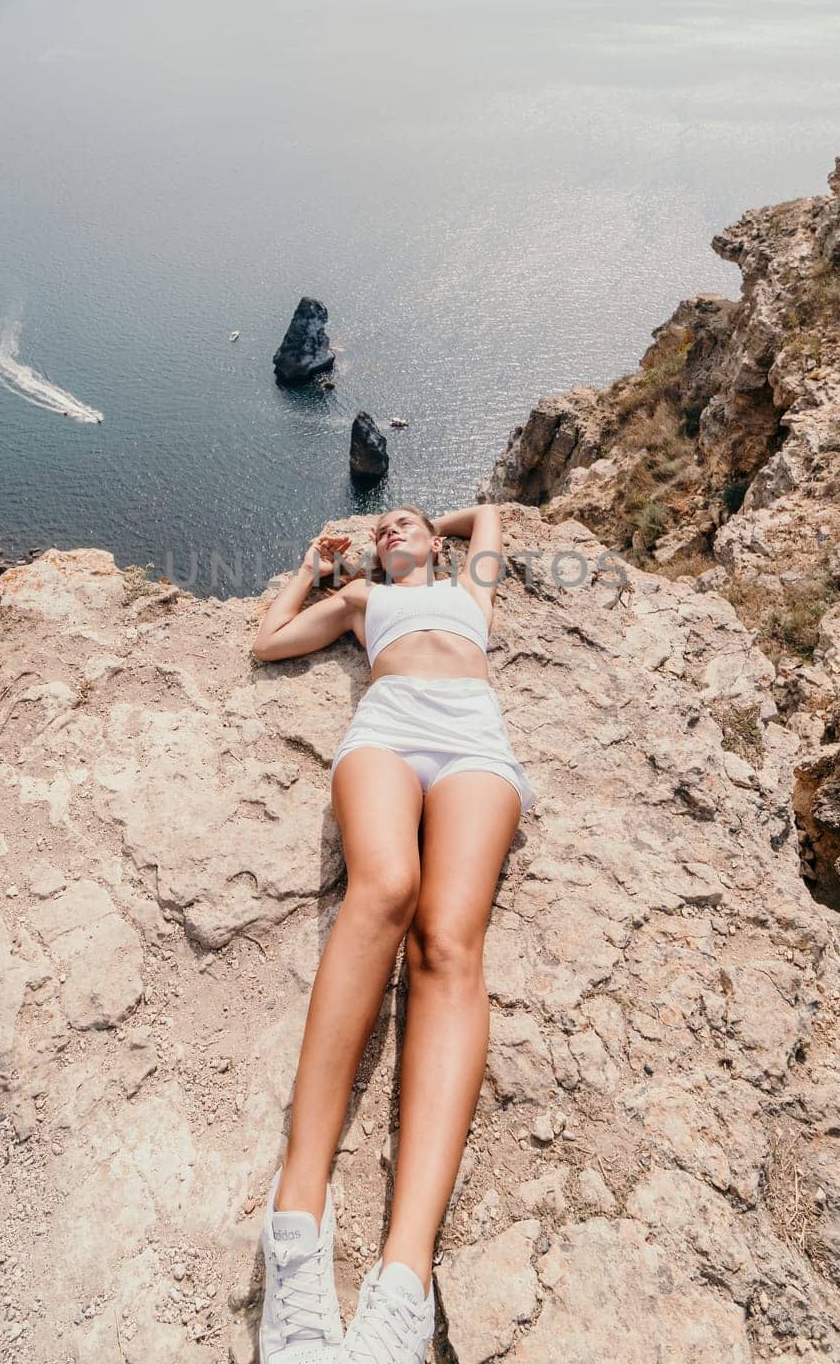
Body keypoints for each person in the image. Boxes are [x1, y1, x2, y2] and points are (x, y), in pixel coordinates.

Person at [250, 503, 537, 1363]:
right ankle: (296, 1213)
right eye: (383, 534)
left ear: (437, 542)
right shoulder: (363, 601)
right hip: (386, 729)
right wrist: (315, 564)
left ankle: (403, 1278)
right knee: (384, 889)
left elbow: (487, 513)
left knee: (449, 943)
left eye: (407, 526)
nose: (391, 534)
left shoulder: (471, 588)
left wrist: (415, 517)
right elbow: (269, 642)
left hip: (474, 741)